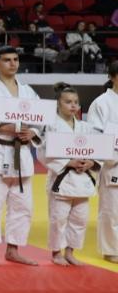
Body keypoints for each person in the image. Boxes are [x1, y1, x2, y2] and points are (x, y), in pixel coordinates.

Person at [0, 46, 41, 266]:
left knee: (23, 205)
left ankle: (13, 249)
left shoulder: (28, 92)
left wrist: (33, 132)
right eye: (6, 60)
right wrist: (1, 128)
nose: (12, 63)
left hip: (22, 152)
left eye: (15, 59)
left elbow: (41, 121)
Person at [45, 83, 96, 267]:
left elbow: (97, 150)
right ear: (58, 103)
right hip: (62, 179)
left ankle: (70, 252)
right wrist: (67, 162)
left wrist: (91, 162)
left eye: (75, 102)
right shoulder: (51, 126)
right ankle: (56, 252)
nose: (73, 105)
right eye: (68, 102)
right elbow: (43, 152)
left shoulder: (85, 127)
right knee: (58, 219)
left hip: (82, 180)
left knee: (79, 219)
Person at [87, 61, 118, 264]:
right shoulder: (101, 103)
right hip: (113, 162)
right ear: (113, 77)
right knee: (112, 208)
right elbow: (94, 136)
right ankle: (112, 248)